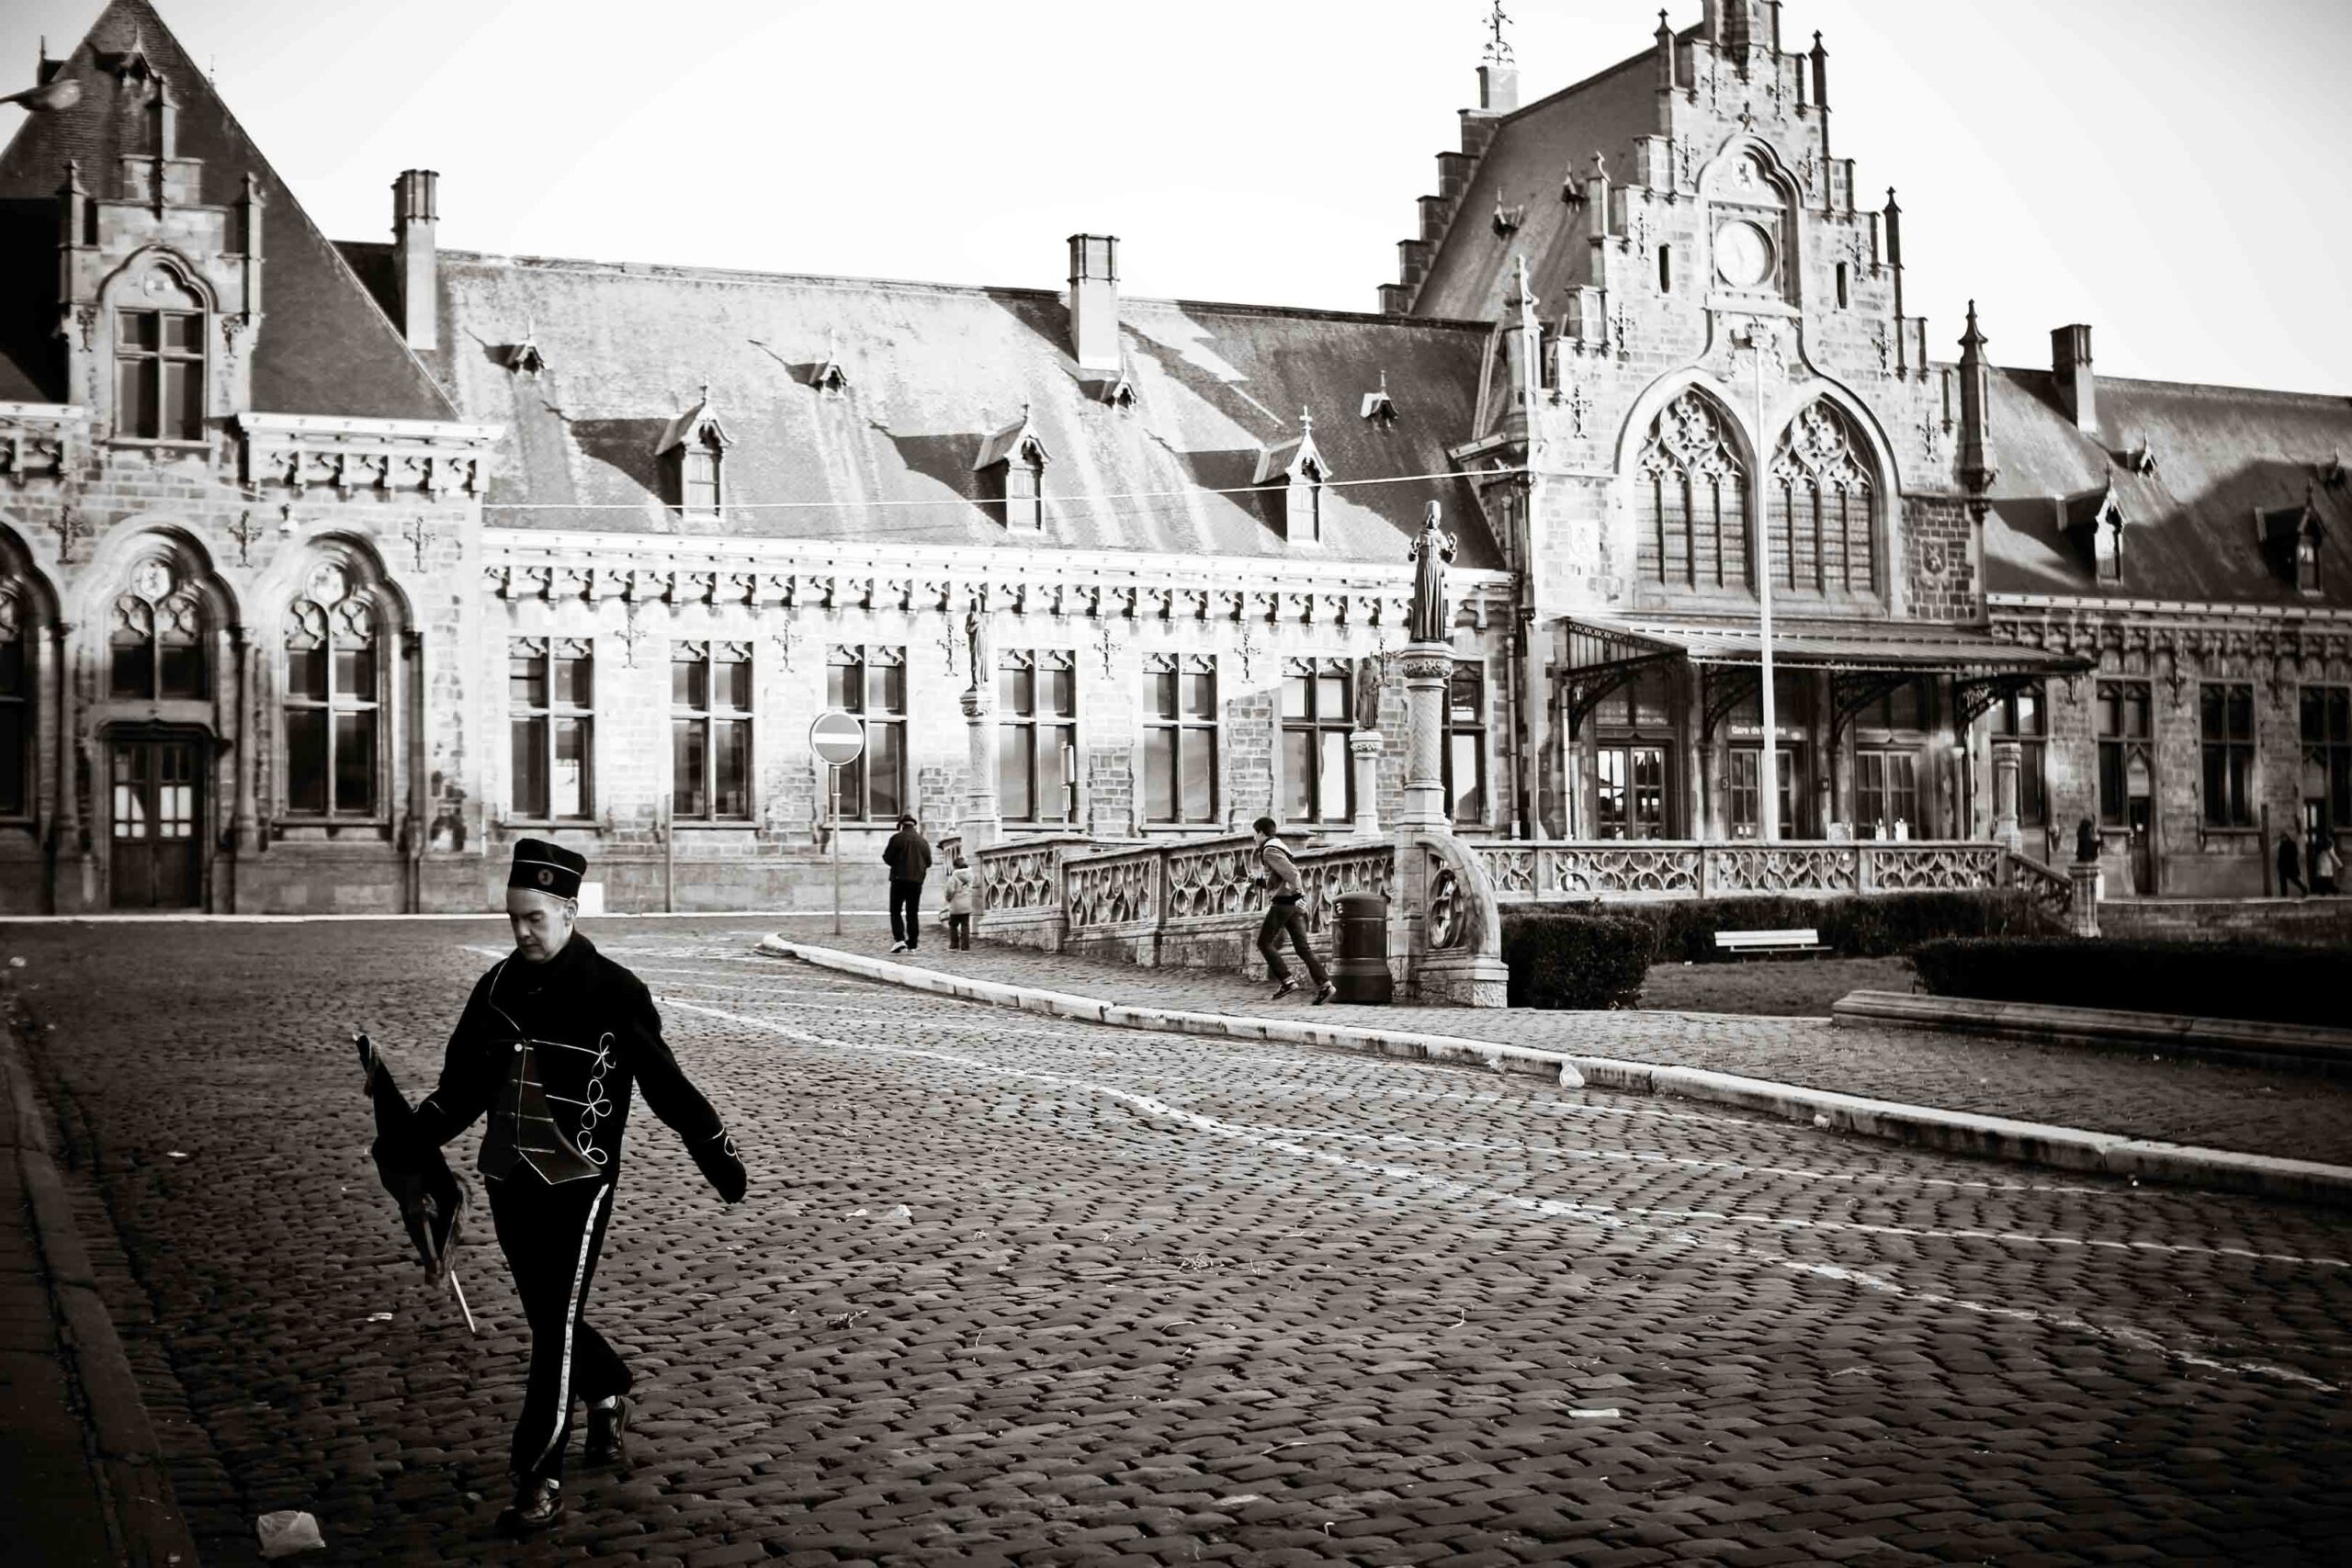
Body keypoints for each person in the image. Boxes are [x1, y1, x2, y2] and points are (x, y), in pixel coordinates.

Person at [406, 840, 748, 1536]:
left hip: (579, 1183)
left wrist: (718, 1155)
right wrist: (409, 1138)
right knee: (547, 1315)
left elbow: (666, 1085)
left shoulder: (614, 991)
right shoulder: (494, 989)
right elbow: (461, 1088)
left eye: (534, 918)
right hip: (508, 1179)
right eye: (513, 919)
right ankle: (610, 1387)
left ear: (568, 910)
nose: (522, 932)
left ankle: (538, 1476)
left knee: (554, 1325)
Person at [1251, 816, 1336, 1005]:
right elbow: (1279, 879)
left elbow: (1292, 873)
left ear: (1261, 833)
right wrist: (1257, 882)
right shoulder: (1279, 846)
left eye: (1255, 834)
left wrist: (1299, 896)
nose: (1254, 838)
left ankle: (1287, 980)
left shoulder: (1269, 850)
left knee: (1264, 942)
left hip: (1283, 903)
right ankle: (1325, 985)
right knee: (1302, 947)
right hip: (1290, 904)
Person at [883, 814, 933, 953]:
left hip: (899, 879)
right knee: (912, 912)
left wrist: (898, 863)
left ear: (901, 825)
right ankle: (913, 944)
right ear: (914, 826)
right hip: (916, 881)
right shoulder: (923, 841)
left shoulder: (897, 838)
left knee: (895, 910)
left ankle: (899, 939)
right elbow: (929, 862)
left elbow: (887, 857)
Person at [942, 848, 978, 952]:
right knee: (965, 925)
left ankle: (954, 945)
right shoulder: (971, 875)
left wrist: (948, 898)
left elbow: (950, 890)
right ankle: (965, 947)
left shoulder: (954, 877)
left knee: (953, 925)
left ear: (955, 866)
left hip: (956, 904)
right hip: (967, 903)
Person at [2278, 832, 2307, 898]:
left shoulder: (2290, 845)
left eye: (2284, 837)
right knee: (2283, 880)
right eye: (2282, 838)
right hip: (2284, 866)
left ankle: (2304, 889)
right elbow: (2280, 857)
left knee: (2294, 880)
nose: (2283, 839)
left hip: (2290, 866)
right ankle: (2284, 894)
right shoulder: (2282, 846)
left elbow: (2294, 855)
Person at [2314, 831, 2342, 897]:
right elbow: (2334, 857)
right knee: (2328, 881)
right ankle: (2334, 890)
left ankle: (2323, 891)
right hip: (2327, 865)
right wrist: (2340, 865)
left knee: (2323, 880)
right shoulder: (2329, 848)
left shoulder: (2319, 847)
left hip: (2321, 864)